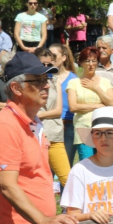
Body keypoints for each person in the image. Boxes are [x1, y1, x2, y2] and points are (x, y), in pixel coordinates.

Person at [0, 52, 79, 224]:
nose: (46, 85)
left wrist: (45, 223)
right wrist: (43, 219)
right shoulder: (5, 125)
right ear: (16, 88)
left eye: (47, 79)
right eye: (37, 80)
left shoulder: (33, 123)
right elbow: (8, 186)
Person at [67, 47, 113, 161]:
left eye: (94, 61)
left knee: (105, 162)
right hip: (84, 129)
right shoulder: (74, 83)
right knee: (87, 162)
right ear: (81, 63)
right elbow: (73, 107)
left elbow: (112, 103)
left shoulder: (105, 82)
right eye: (87, 61)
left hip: (103, 129)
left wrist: (95, 88)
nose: (90, 64)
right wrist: (98, 106)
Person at [34, 48, 71, 188]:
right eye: (42, 64)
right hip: (36, 136)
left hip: (55, 134)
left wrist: (39, 115)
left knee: (67, 178)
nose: (45, 68)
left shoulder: (55, 81)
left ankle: (71, 208)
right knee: (41, 180)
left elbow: (58, 111)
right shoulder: (30, 81)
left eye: (49, 65)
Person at [49, 43, 78, 166]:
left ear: (64, 57)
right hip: (49, 126)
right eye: (48, 55)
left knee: (66, 167)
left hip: (68, 127)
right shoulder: (44, 78)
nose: (51, 59)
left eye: (54, 56)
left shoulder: (74, 79)